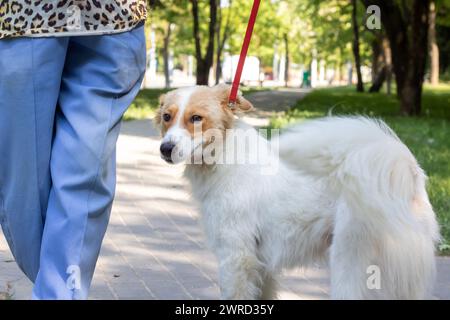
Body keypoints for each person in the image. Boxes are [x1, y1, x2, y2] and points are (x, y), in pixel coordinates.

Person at [0, 0, 147, 299]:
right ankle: (51, 285)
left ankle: (56, 294)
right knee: (23, 186)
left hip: (115, 19)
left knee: (84, 171)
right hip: (25, 17)